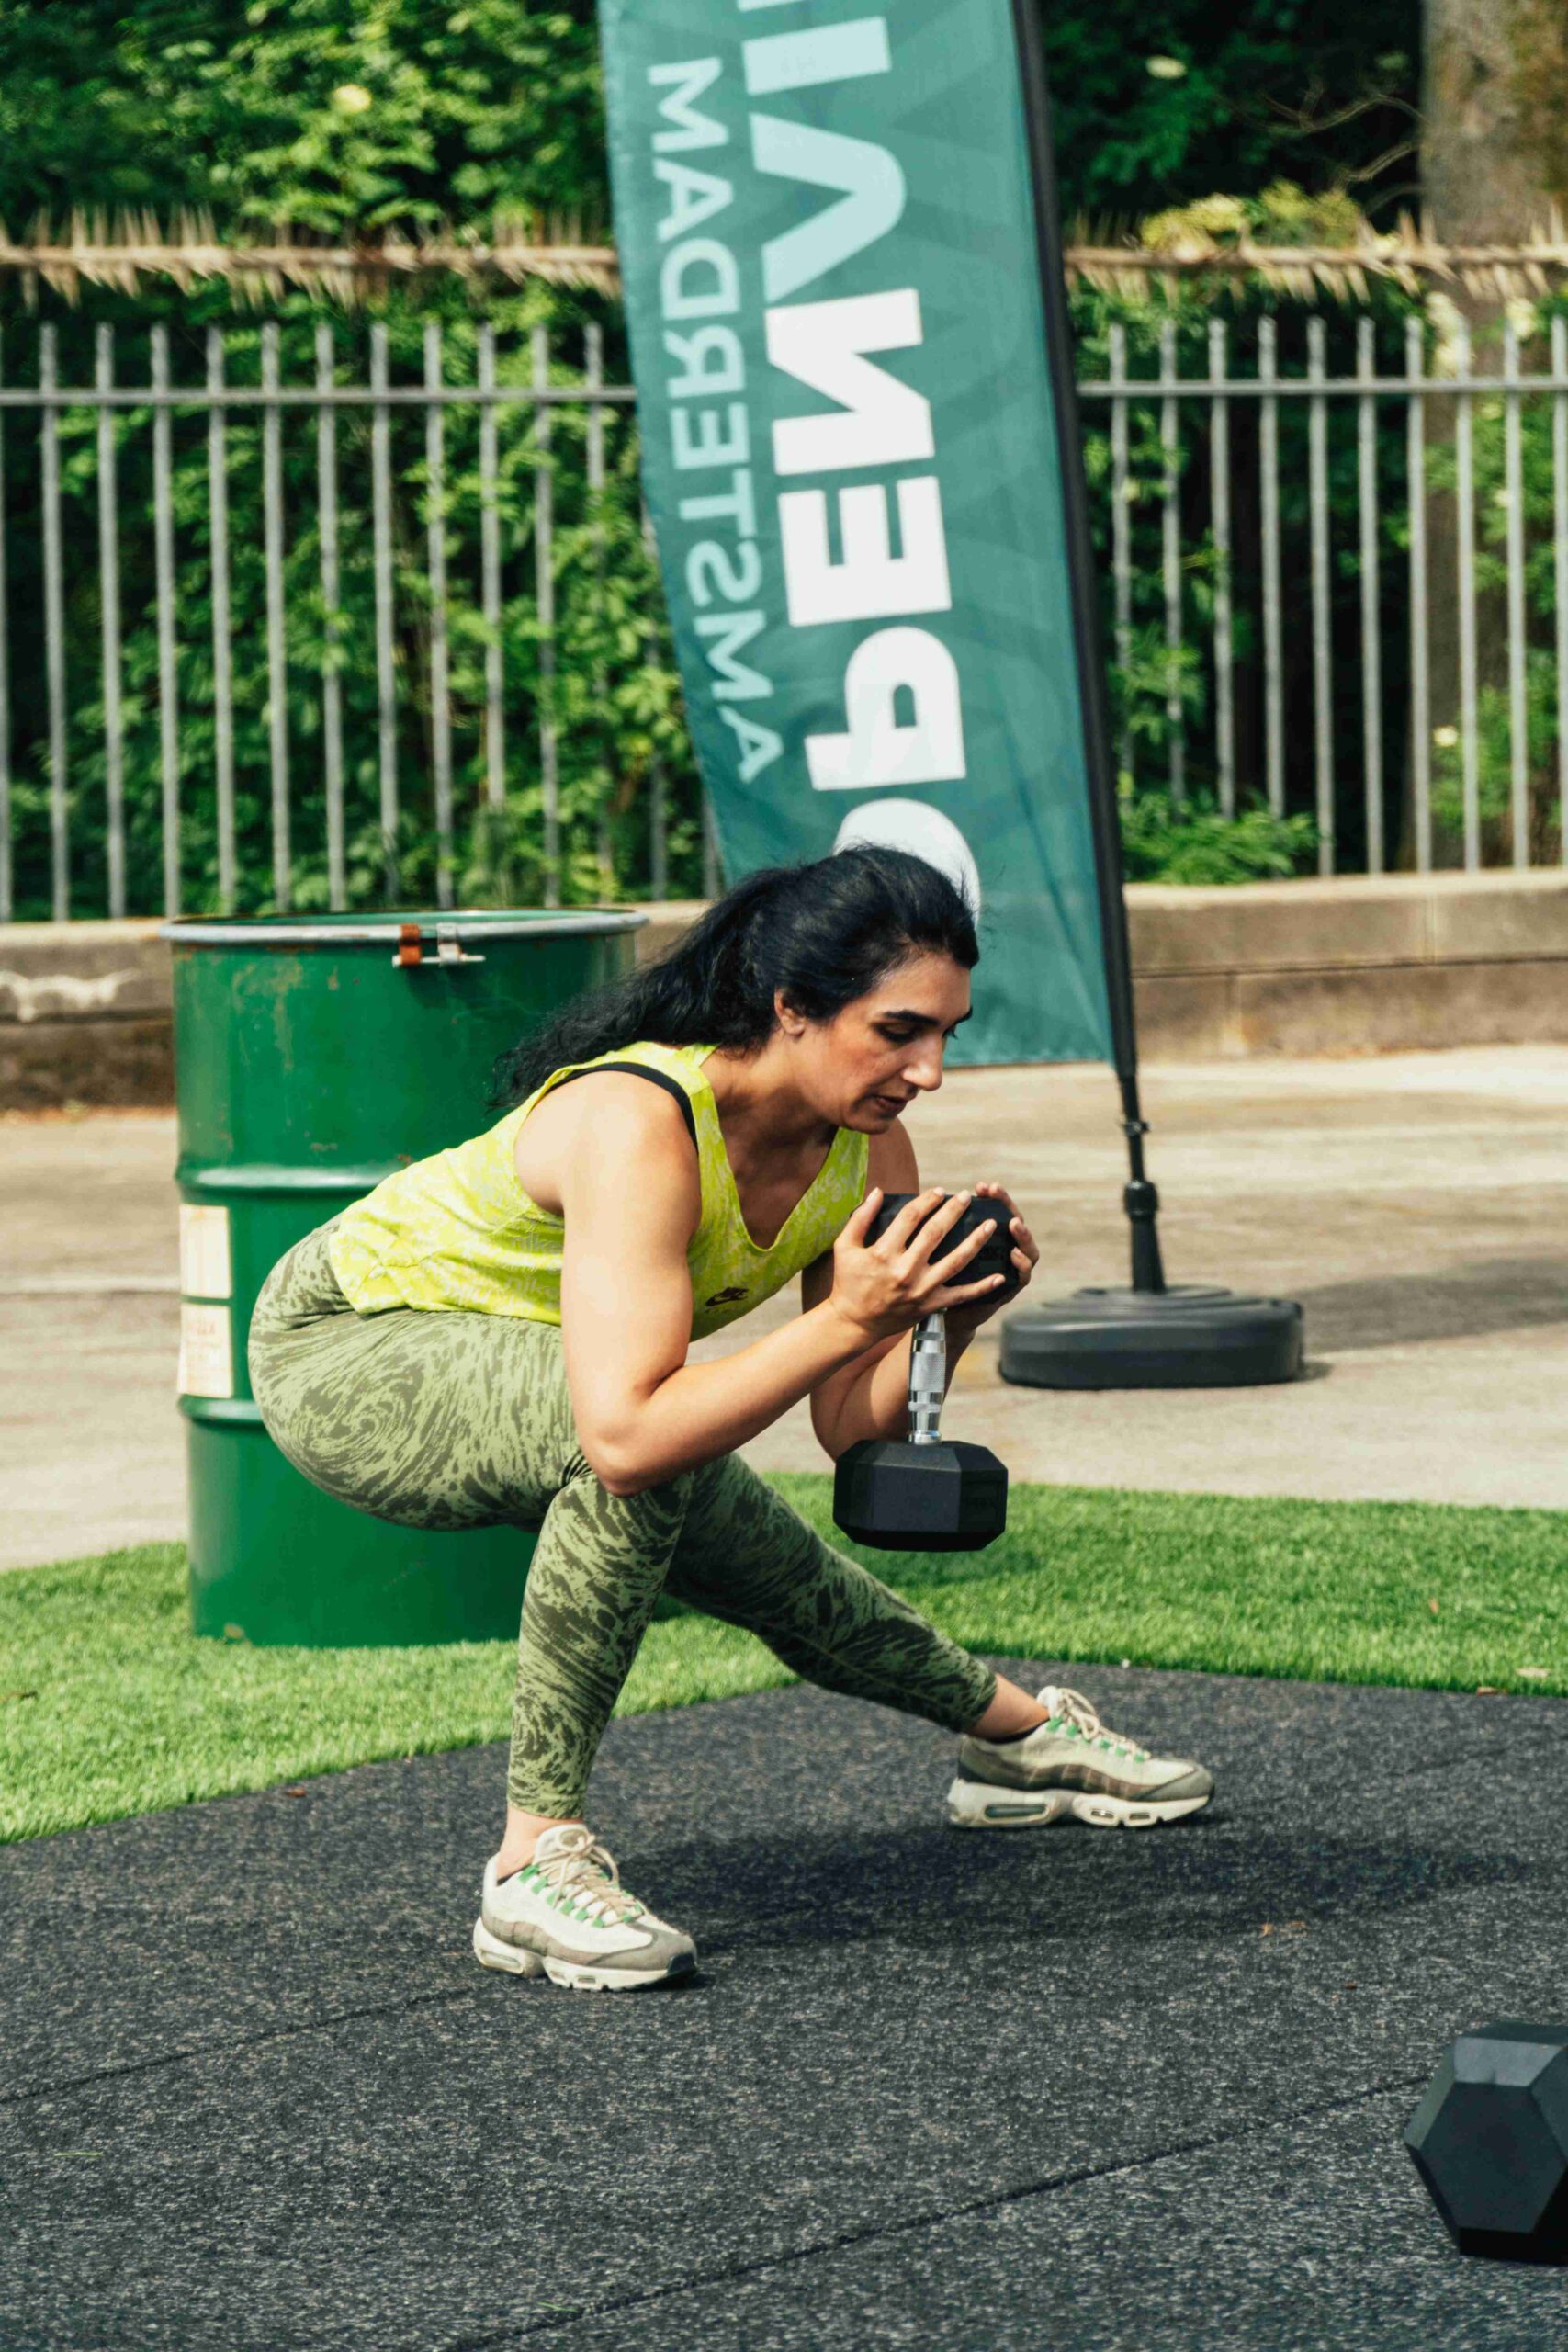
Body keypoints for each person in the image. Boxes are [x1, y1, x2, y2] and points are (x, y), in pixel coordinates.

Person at [248, 845, 1213, 1995]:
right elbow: (623, 1439)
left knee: (762, 1551)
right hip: (347, 1346)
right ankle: (530, 1863)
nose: (931, 1070)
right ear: (793, 1007)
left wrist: (945, 1317)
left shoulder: (867, 1145)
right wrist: (849, 1313)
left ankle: (1014, 1738)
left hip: (555, 1379)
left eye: (948, 1033)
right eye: (899, 1030)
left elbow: (852, 1430)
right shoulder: (640, 1118)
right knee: (642, 1454)